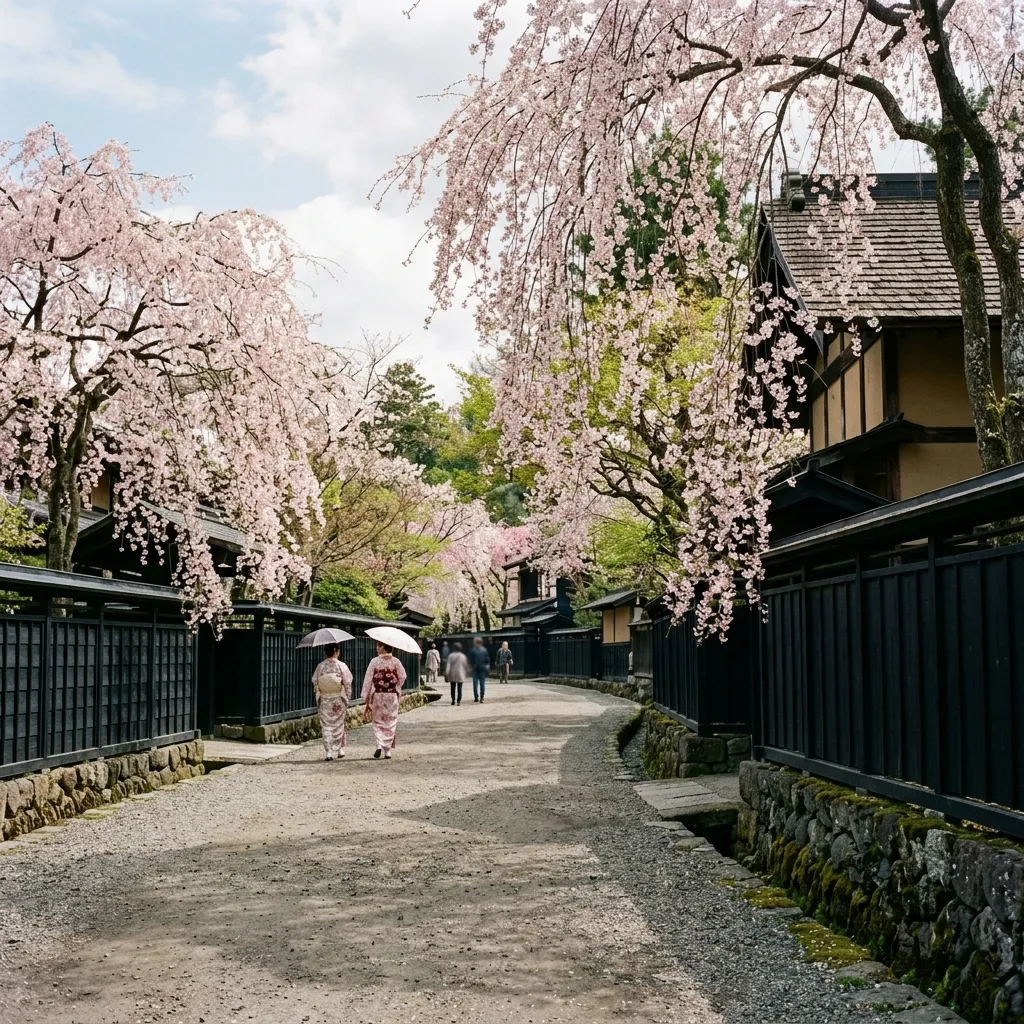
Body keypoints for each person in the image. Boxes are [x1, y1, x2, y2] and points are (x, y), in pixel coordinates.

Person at [362, 641, 407, 759]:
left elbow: (368, 679)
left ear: (385, 647)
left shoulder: (374, 661)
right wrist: (396, 686)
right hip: (391, 695)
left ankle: (379, 745)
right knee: (390, 721)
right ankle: (387, 751)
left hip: (378, 694)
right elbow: (403, 676)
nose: (377, 648)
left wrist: (365, 696)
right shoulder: (396, 661)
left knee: (378, 721)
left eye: (379, 646)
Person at [312, 644, 353, 761]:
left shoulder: (320, 667)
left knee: (326, 726)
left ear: (326, 652)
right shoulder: (341, 666)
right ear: (337, 651)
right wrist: (347, 698)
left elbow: (315, 681)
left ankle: (328, 752)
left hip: (324, 700)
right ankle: (339, 749)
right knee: (339, 724)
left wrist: (319, 695)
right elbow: (348, 683)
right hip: (338, 700)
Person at [445, 641, 469, 706]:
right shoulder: (463, 656)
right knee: (459, 688)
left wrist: (446, 673)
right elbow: (465, 666)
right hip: (460, 674)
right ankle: (458, 701)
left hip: (452, 674)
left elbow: (448, 666)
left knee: (452, 688)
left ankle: (453, 700)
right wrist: (466, 673)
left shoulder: (450, 656)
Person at [468, 637, 490, 703]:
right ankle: (482, 697)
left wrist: (470, 667)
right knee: (482, 683)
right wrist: (487, 666)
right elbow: (487, 659)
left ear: (475, 642)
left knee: (475, 684)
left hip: (475, 669)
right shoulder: (484, 650)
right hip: (482, 669)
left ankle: (476, 697)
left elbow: (471, 660)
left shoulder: (472, 650)